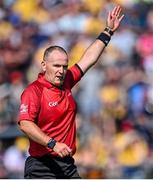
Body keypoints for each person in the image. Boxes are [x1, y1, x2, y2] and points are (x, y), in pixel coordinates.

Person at [18, 5, 124, 179]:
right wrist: (53, 144)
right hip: (42, 166)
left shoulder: (66, 81)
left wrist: (108, 31)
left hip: (66, 164)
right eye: (56, 66)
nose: (61, 70)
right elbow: (25, 124)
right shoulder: (34, 91)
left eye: (64, 66)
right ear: (44, 66)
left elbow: (88, 58)